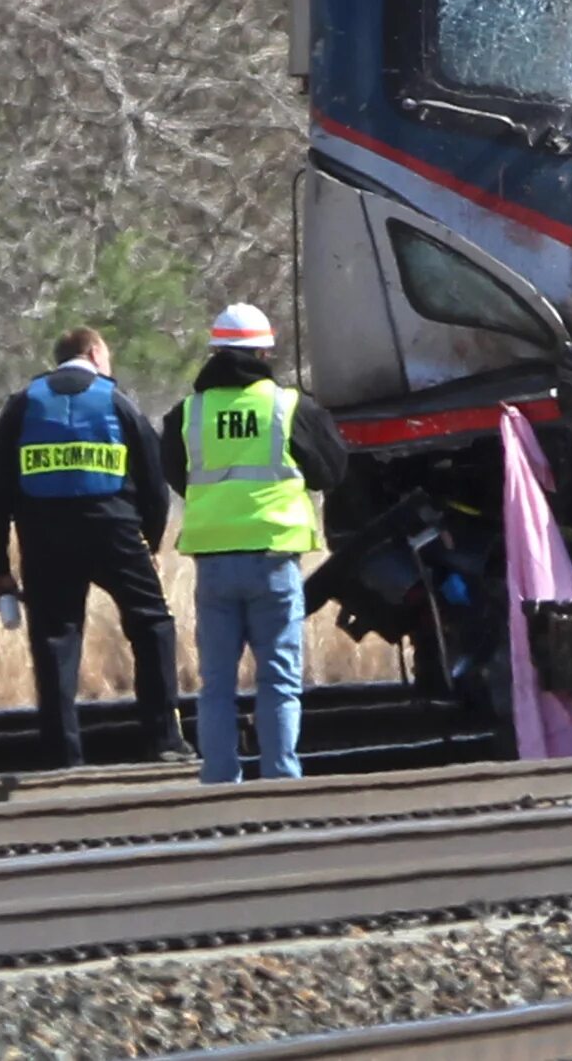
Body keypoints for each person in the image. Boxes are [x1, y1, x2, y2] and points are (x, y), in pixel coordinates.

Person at [0, 326, 187, 767]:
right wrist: (149, 539)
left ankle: (62, 756)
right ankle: (164, 739)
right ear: (94, 353)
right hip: (114, 529)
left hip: (44, 535)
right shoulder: (115, 400)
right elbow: (154, 481)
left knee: (55, 638)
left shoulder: (23, 405)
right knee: (152, 625)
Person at [161, 302, 346, 783]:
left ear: (215, 351)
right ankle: (282, 779)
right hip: (273, 561)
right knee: (279, 681)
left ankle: (219, 780)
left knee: (216, 684)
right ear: (266, 351)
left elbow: (179, 476)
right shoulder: (287, 407)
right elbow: (332, 469)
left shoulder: (189, 412)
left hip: (214, 565)